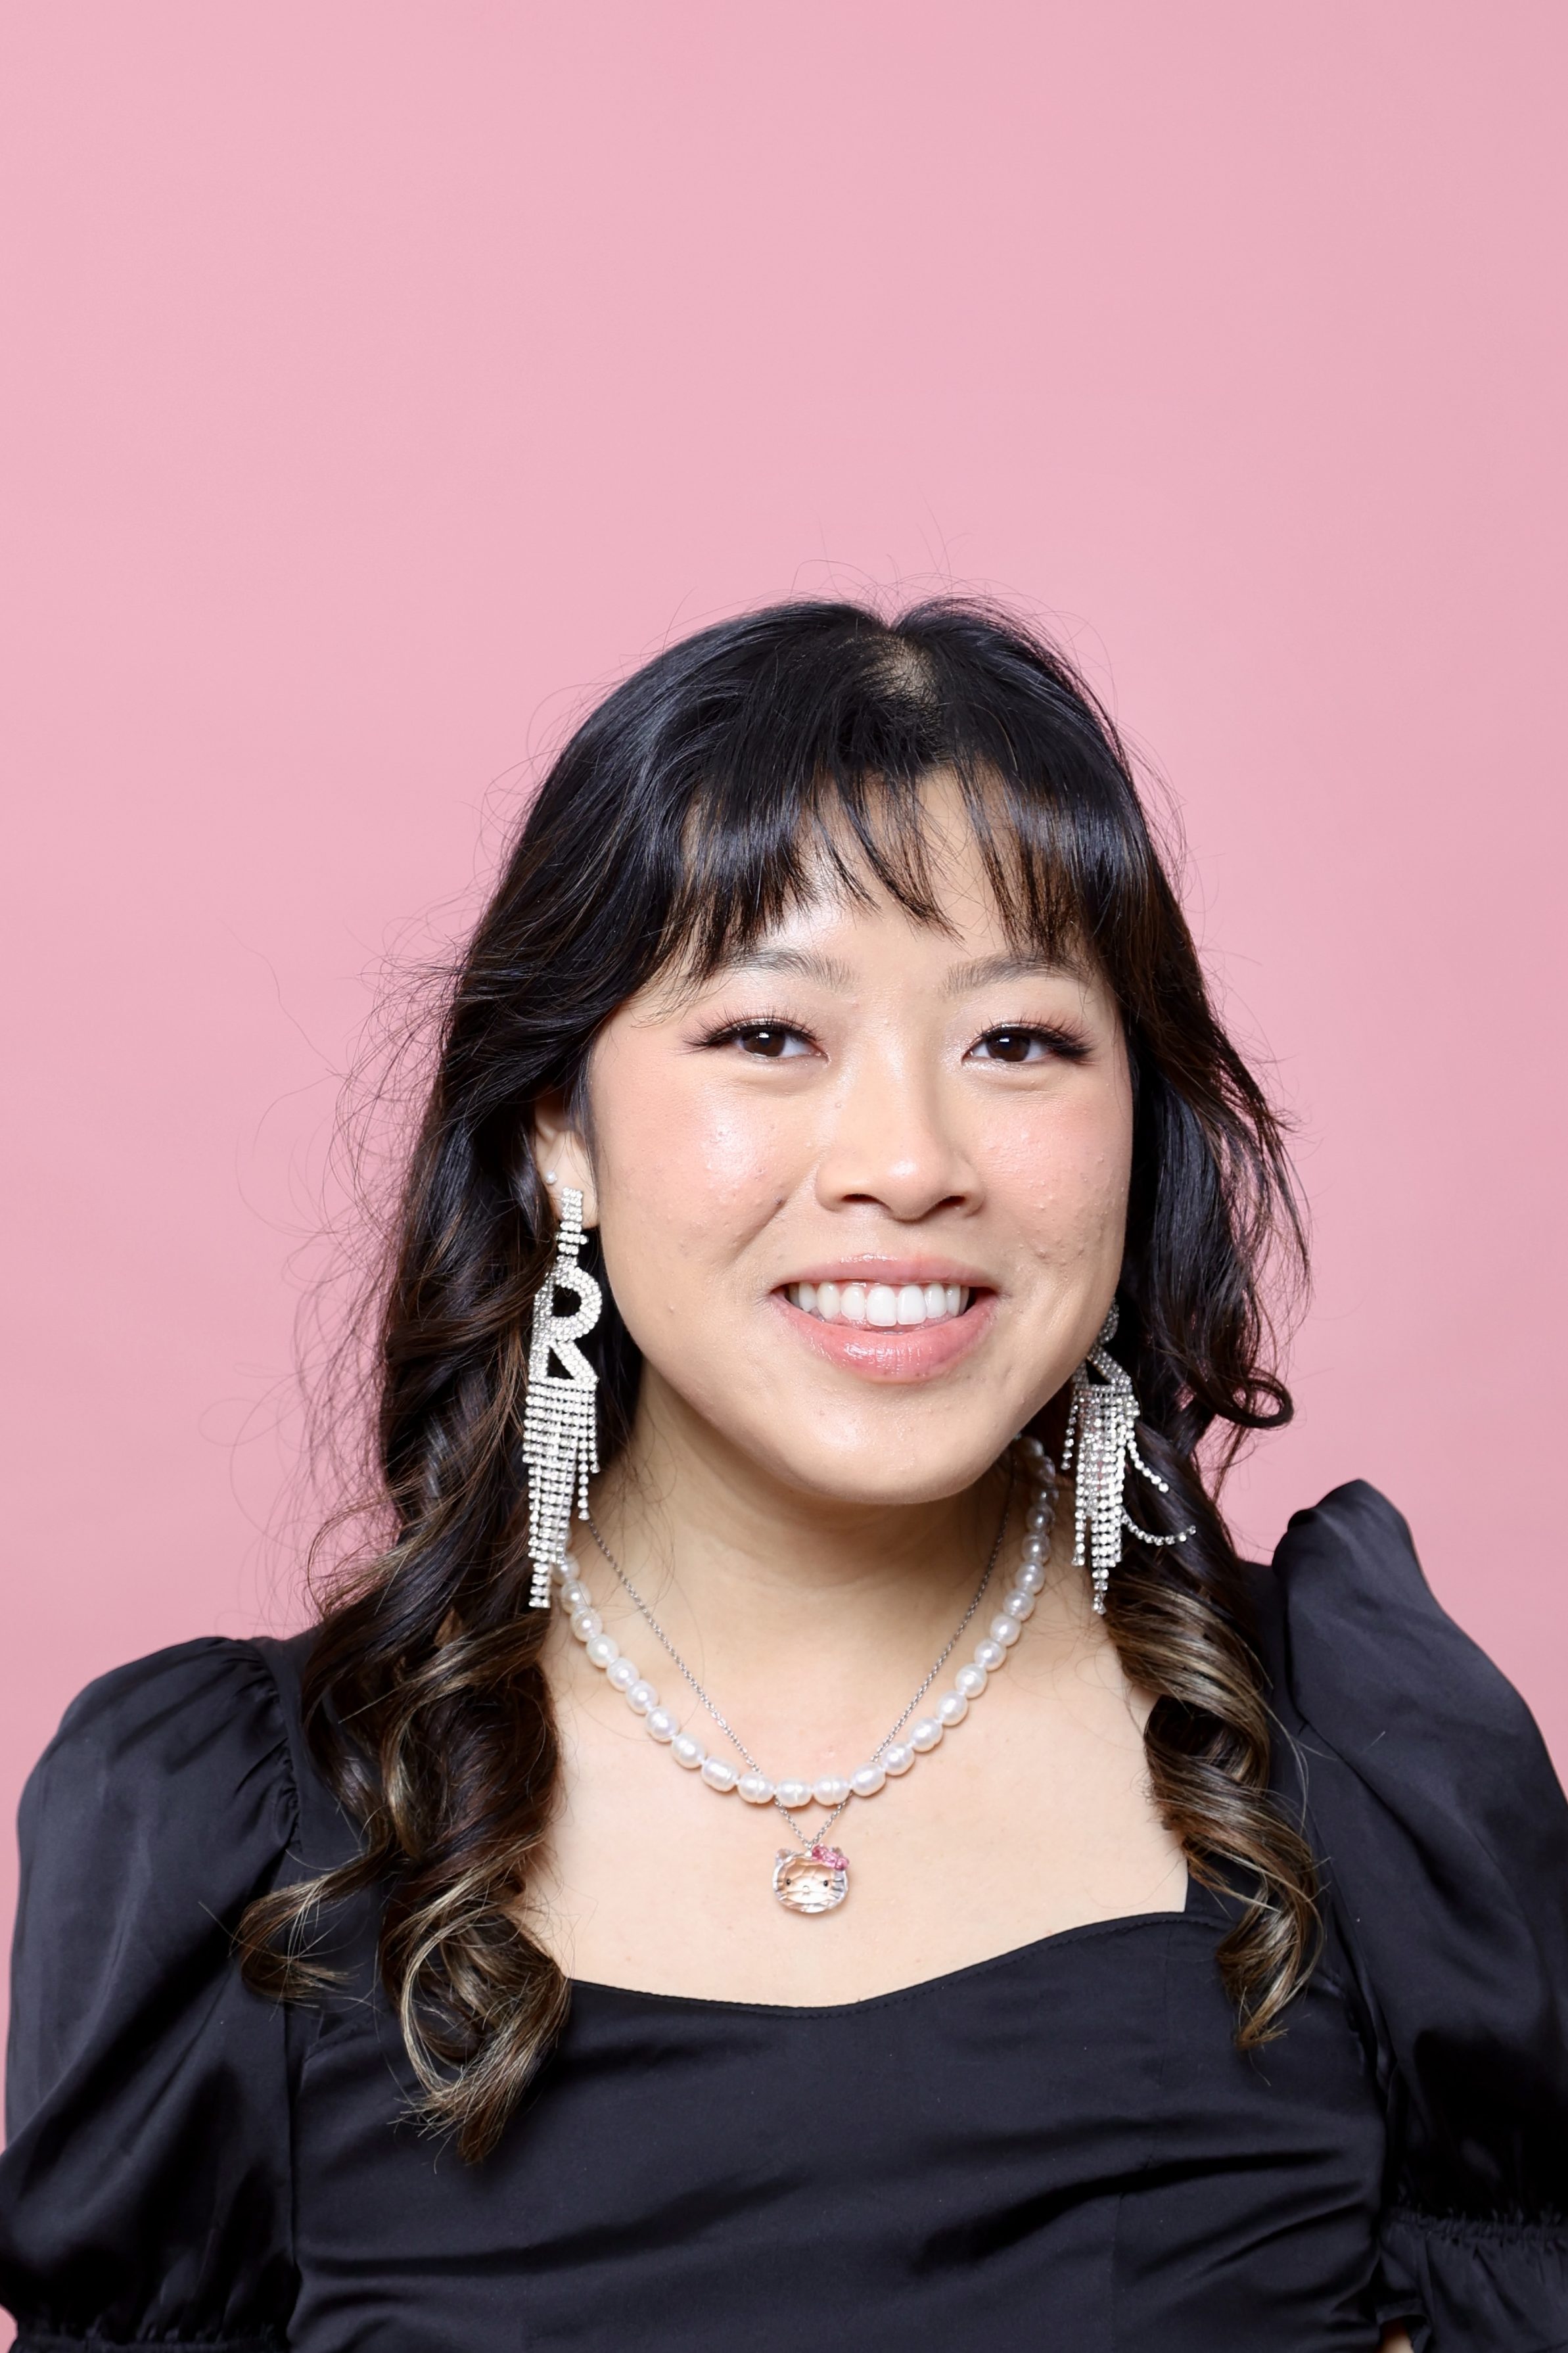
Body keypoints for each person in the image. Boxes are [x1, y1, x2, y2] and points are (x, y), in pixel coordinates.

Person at [1, 601, 1563, 2352]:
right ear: (555, 1135)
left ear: (1139, 1124)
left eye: (1018, 1042)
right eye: (768, 1035)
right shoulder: (234, 1838)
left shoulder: (1373, 1789)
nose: (905, 1162)